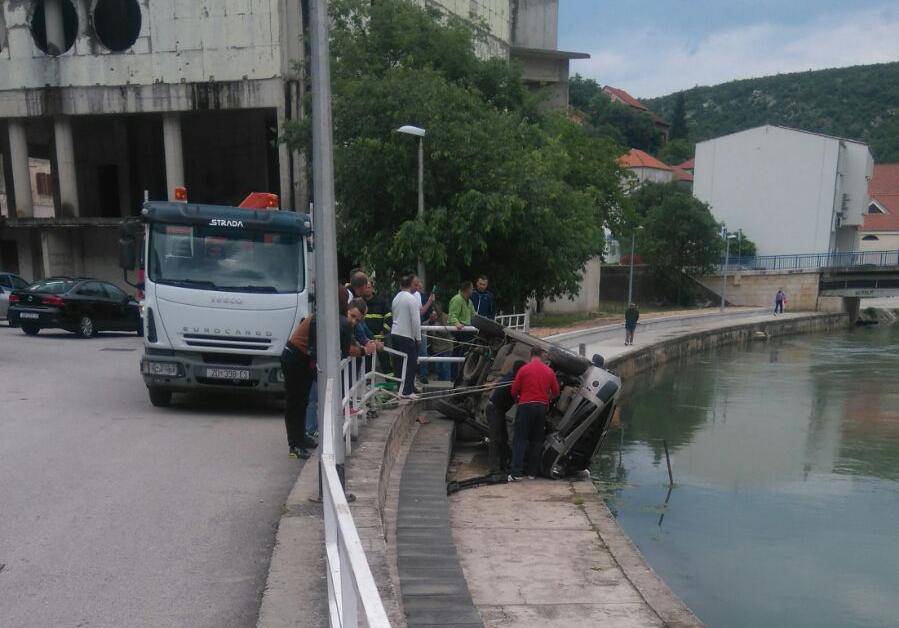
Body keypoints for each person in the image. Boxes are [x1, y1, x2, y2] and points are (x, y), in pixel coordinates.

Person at [281, 293, 373, 459]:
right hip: (295, 357)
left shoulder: (336, 320)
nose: (353, 321)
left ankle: (300, 438)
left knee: (302, 402)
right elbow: (345, 350)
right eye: (353, 316)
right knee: (295, 403)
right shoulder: (336, 321)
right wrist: (364, 351)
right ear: (347, 309)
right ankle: (294, 445)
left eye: (357, 320)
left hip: (302, 359)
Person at [509, 347, 559, 481]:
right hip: (541, 407)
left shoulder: (524, 369)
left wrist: (518, 401)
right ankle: (532, 473)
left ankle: (516, 473)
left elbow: (514, 390)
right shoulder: (549, 371)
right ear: (541, 355)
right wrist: (548, 399)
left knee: (520, 439)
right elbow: (556, 392)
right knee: (537, 441)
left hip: (525, 405)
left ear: (530, 355)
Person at [486, 360, 526, 474]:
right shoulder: (512, 382)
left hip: (498, 410)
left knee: (503, 438)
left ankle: (503, 465)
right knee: (495, 439)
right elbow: (517, 395)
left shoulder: (511, 373)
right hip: (494, 410)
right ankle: (494, 468)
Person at [391, 274, 422, 397]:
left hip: (395, 333)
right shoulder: (411, 299)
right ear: (410, 284)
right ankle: (408, 391)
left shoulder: (396, 298)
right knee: (411, 363)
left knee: (398, 363)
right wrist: (418, 338)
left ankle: (400, 388)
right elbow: (416, 320)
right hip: (406, 334)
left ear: (400, 285)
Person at [448, 281, 476, 378]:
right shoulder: (457, 299)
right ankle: (454, 376)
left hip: (466, 330)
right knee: (459, 352)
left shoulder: (469, 301)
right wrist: (457, 323)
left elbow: (474, 315)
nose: (473, 291)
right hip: (459, 330)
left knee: (463, 353)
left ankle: (458, 375)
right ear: (467, 290)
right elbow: (452, 315)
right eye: (472, 289)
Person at [412, 277, 436, 384]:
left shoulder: (418, 295)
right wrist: (430, 302)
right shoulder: (411, 295)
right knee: (414, 353)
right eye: (417, 284)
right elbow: (419, 313)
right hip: (412, 327)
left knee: (423, 352)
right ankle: (413, 376)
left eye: (420, 283)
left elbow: (422, 313)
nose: (420, 285)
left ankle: (423, 375)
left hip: (420, 326)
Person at [428, 304, 454, 381]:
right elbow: (426, 330)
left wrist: (437, 326)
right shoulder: (431, 319)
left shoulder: (446, 317)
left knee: (446, 369)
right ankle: (440, 384)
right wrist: (431, 322)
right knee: (438, 369)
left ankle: (446, 385)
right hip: (436, 348)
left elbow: (446, 333)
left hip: (446, 348)